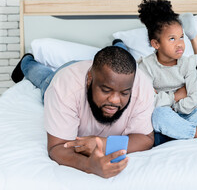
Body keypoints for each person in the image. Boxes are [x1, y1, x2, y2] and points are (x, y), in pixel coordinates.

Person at [11, 46, 155, 178]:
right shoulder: (64, 88)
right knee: (43, 78)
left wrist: (103, 144)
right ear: (90, 80)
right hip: (68, 75)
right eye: (106, 90)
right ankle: (27, 62)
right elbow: (57, 147)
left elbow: (146, 139)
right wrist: (89, 166)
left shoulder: (142, 89)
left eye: (124, 93)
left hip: (94, 71)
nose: (115, 100)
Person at [133, 0, 197, 145]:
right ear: (156, 44)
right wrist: (177, 95)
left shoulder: (187, 63)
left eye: (181, 37)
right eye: (172, 39)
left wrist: (172, 106)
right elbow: (150, 102)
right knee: (158, 115)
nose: (180, 44)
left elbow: (195, 98)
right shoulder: (145, 67)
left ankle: (173, 133)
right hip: (166, 114)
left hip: (189, 113)